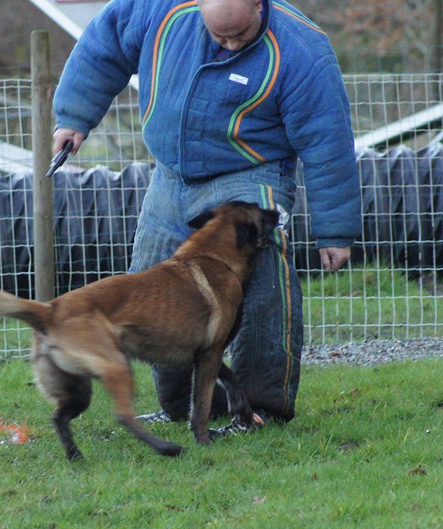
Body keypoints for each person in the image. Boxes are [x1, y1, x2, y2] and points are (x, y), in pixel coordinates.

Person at [52, 0, 361, 432]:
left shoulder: (302, 50)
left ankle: (261, 408)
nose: (230, 44)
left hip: (250, 171)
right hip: (173, 175)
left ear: (259, 4)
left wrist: (336, 230)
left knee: (262, 278)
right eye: (219, 36)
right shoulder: (155, 9)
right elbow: (104, 45)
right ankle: (186, 405)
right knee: (149, 283)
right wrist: (74, 116)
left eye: (239, 35)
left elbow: (328, 143)